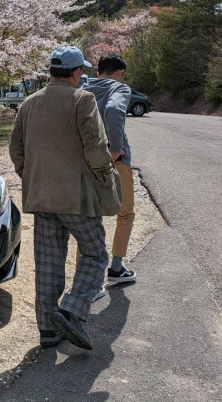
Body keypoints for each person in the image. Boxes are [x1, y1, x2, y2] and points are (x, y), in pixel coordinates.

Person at [9, 45, 122, 351]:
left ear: (50, 71)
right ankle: (71, 311)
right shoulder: (82, 100)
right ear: (75, 73)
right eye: (81, 72)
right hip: (76, 198)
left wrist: (30, 177)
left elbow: (16, 150)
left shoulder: (29, 104)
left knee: (48, 263)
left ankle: (47, 329)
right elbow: (97, 148)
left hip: (41, 197)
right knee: (96, 253)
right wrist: (103, 179)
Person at [83, 53, 137, 283]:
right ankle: (116, 268)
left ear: (98, 72)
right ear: (120, 73)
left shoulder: (83, 86)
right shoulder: (120, 89)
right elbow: (115, 111)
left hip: (87, 160)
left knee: (90, 218)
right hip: (115, 162)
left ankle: (86, 277)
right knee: (125, 213)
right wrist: (114, 149)